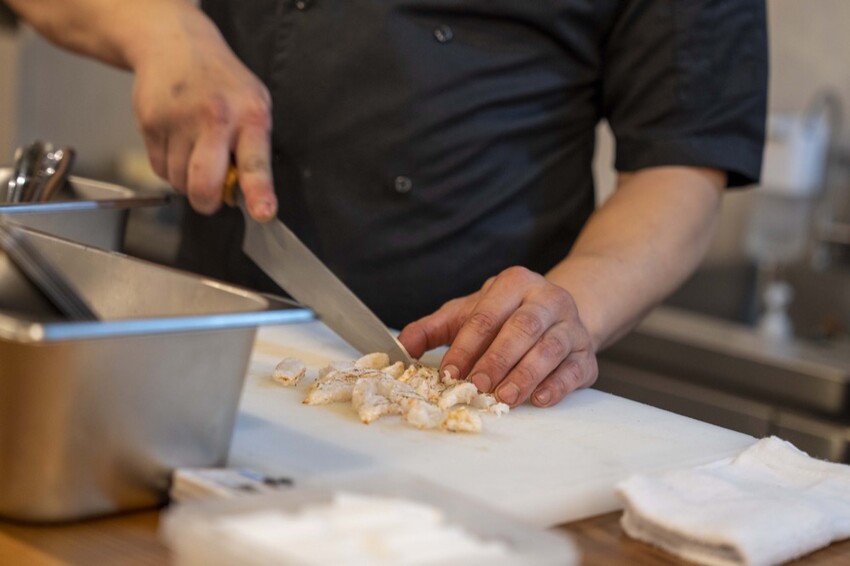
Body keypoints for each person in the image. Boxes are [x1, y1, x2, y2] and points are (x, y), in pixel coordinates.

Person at [5, 0, 768, 409]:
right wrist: (160, 27)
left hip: (472, 397)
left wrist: (565, 313)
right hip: (204, 374)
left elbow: (682, 161)